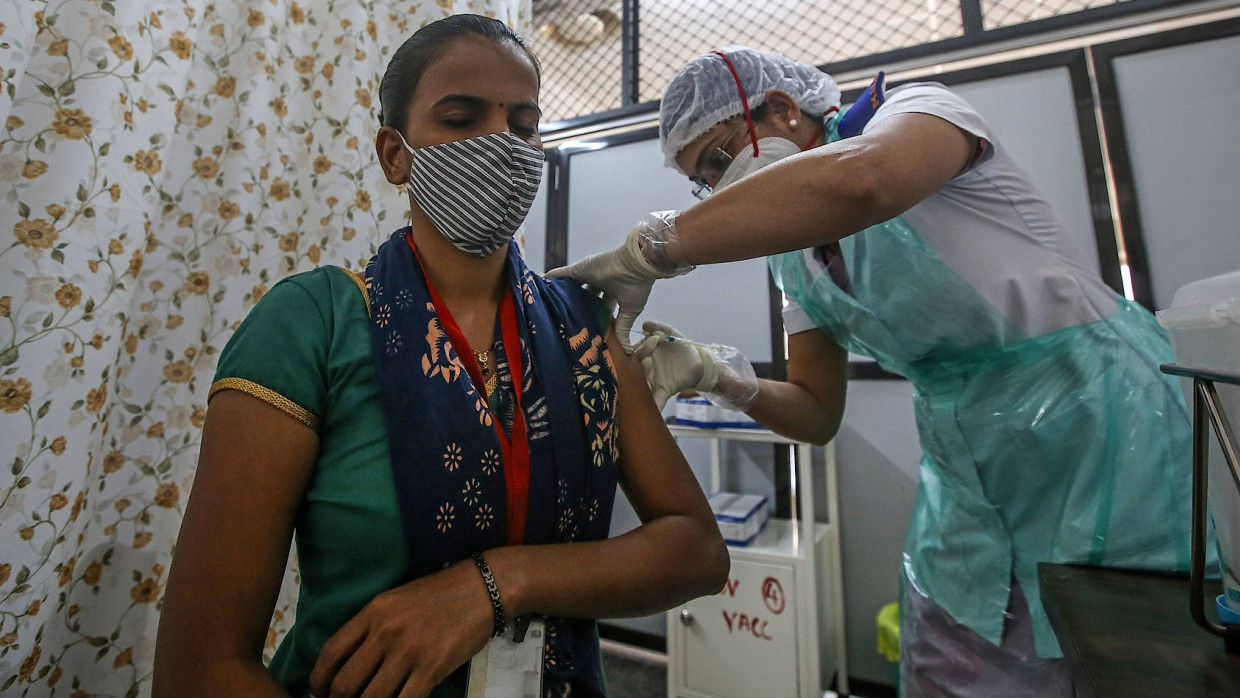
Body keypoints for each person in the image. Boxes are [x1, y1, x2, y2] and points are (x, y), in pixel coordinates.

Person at [549, 45, 1199, 696]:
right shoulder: (794, 260)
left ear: (779, 107)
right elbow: (814, 410)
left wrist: (648, 250)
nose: (717, 188)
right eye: (702, 180)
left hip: (1107, 431)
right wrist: (716, 376)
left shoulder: (918, 112)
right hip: (969, 472)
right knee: (957, 662)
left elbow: (862, 183)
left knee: (1134, 659)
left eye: (719, 157)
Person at [153, 16, 728, 698]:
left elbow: (695, 549)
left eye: (523, 125)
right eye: (461, 117)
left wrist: (497, 584)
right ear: (395, 156)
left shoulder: (581, 326)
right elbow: (200, 669)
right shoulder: (314, 323)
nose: (501, 145)